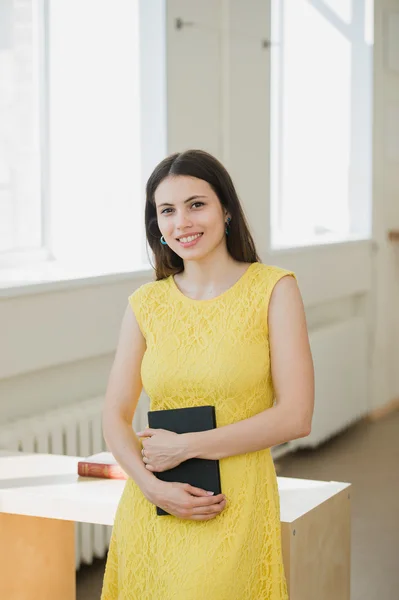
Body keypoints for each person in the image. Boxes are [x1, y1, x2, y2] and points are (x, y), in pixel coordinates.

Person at [101, 149, 314, 599]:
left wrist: (186, 446)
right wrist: (152, 488)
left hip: (233, 505)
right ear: (156, 226)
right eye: (167, 210)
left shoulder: (273, 288)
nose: (183, 222)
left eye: (197, 204)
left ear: (227, 211)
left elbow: (295, 416)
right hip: (153, 504)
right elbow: (114, 415)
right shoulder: (146, 303)